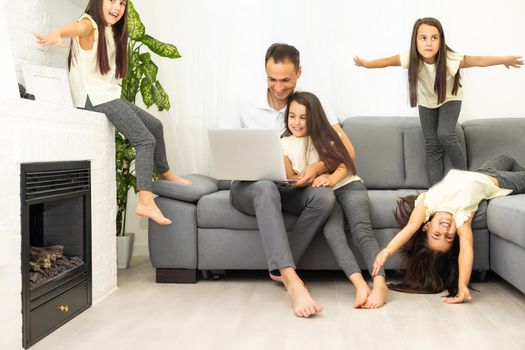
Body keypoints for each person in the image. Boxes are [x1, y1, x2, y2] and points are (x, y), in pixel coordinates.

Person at [35, 0, 191, 225]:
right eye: (111, 1)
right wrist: (58, 32)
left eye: (122, 3)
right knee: (145, 140)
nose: (117, 8)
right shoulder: (90, 24)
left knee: (155, 125)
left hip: (108, 95)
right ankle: (146, 201)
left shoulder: (111, 30)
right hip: (93, 98)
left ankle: (164, 172)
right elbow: (77, 27)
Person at [229, 43, 347, 318]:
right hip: (250, 188)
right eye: (272, 79)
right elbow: (227, 150)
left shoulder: (309, 105)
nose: (279, 87)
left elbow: (346, 151)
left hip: (292, 187)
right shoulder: (245, 104)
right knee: (265, 186)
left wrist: (318, 167)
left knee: (325, 197)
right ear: (265, 72)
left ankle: (280, 268)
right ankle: (293, 282)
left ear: (299, 73)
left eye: (286, 80)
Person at [354, 17, 523, 185]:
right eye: (423, 38)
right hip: (427, 101)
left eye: (434, 38)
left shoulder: (450, 58)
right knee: (432, 143)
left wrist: (504, 60)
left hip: (450, 98)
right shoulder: (410, 58)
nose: (429, 43)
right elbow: (386, 62)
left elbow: (478, 60)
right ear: (415, 41)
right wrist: (367, 64)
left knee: (445, 134)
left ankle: (464, 179)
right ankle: (436, 189)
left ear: (441, 41)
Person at [282, 91, 388, 309]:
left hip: (348, 186)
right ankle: (359, 284)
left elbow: (347, 164)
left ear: (314, 117)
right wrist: (301, 181)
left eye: (303, 117)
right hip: (324, 197)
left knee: (361, 229)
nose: (297, 122)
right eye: (292, 116)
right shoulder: (284, 143)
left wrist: (330, 178)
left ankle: (379, 283)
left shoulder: (328, 135)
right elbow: (289, 176)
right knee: (333, 233)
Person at [372, 154, 525, 304]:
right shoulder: (461, 217)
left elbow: (410, 228)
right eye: (449, 238)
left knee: (507, 159)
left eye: (437, 234)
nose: (445, 232)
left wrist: (388, 251)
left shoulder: (428, 204)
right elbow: (466, 250)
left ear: (427, 226)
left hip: (482, 171)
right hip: (501, 181)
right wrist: (462, 285)